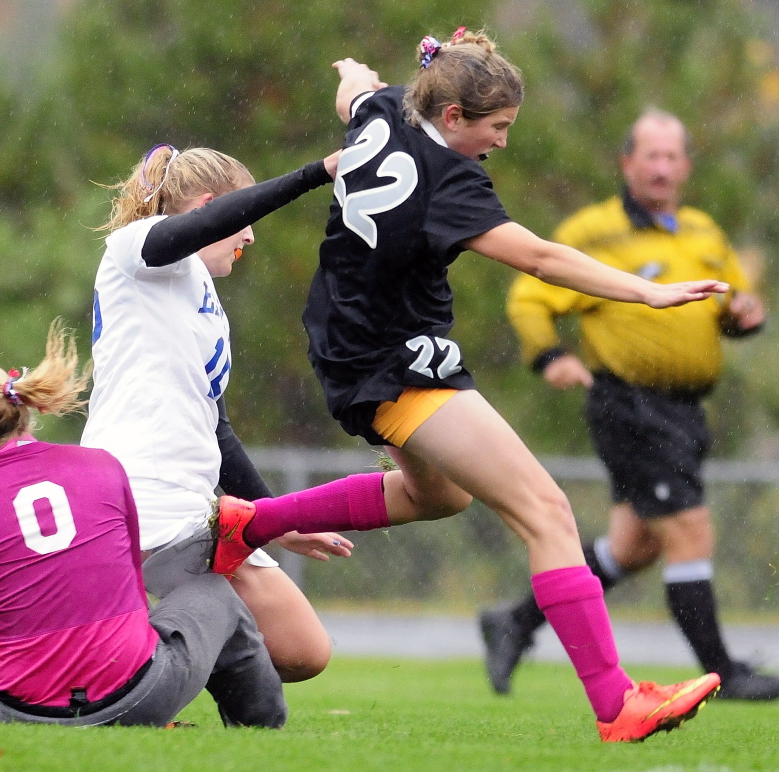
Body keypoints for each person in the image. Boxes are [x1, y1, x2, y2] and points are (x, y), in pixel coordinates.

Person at [0, 145, 390, 719]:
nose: (251, 237)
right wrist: (316, 173)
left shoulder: (201, 292)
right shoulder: (136, 250)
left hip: (194, 504)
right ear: (212, 208)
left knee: (300, 650)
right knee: (48, 607)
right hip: (132, 489)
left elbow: (214, 420)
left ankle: (131, 678)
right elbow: (183, 233)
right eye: (243, 217)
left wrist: (274, 521)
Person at [291, 29, 726, 743]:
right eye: (498, 128)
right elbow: (542, 258)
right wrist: (644, 295)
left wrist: (349, 68)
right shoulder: (449, 174)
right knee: (546, 512)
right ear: (456, 117)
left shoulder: (384, 110)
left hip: (348, 344)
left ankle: (249, 524)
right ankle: (616, 704)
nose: (502, 143)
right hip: (396, 360)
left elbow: (356, 90)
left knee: (441, 496)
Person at [479, 109, 779, 702]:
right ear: (627, 163)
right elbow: (530, 294)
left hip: (687, 412)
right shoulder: (594, 230)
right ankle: (724, 673)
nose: (663, 168)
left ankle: (515, 620)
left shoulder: (701, 232)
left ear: (686, 167)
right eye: (651, 156)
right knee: (689, 530)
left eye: (673, 157)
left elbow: (725, 305)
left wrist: (743, 314)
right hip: (629, 405)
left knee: (634, 547)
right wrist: (549, 357)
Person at [0, 323, 286, 728]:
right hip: (140, 696)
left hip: (22, 713)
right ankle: (258, 729)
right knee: (211, 590)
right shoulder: (101, 465)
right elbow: (133, 588)